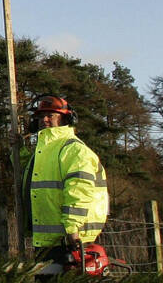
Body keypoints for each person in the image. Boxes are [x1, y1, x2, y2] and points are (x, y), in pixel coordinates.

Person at [21, 94, 109, 268]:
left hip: (71, 241)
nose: (44, 120)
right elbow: (34, 175)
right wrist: (18, 151)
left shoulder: (74, 150)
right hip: (47, 242)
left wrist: (72, 230)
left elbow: (79, 192)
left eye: (50, 115)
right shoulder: (43, 152)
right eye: (40, 116)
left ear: (65, 118)